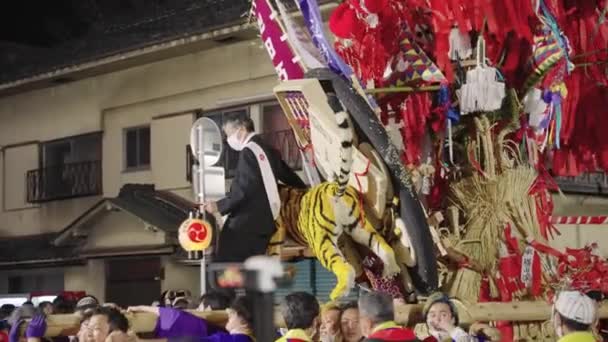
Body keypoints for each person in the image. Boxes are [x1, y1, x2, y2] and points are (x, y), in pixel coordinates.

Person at [203, 116, 307, 262]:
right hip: (268, 222)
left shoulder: (248, 152)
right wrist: (306, 190)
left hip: (247, 223)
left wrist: (217, 205)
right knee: (253, 266)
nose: (228, 139)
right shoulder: (268, 149)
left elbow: (243, 190)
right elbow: (288, 175)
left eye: (229, 134)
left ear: (242, 129)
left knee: (227, 260)